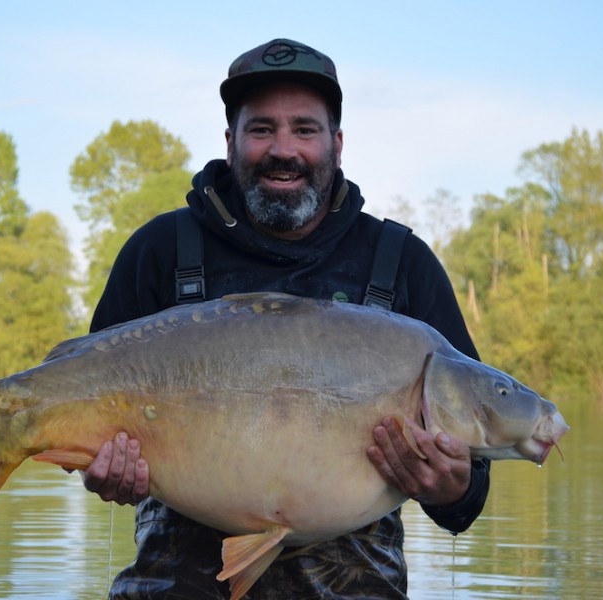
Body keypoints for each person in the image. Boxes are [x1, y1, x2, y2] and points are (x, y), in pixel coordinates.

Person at [82, 38, 490, 599]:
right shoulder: (160, 251)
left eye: (304, 129)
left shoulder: (400, 264)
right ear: (230, 142)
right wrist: (103, 471)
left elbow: (466, 500)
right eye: (260, 129)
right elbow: (86, 410)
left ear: (337, 144)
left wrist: (454, 487)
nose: (283, 149)